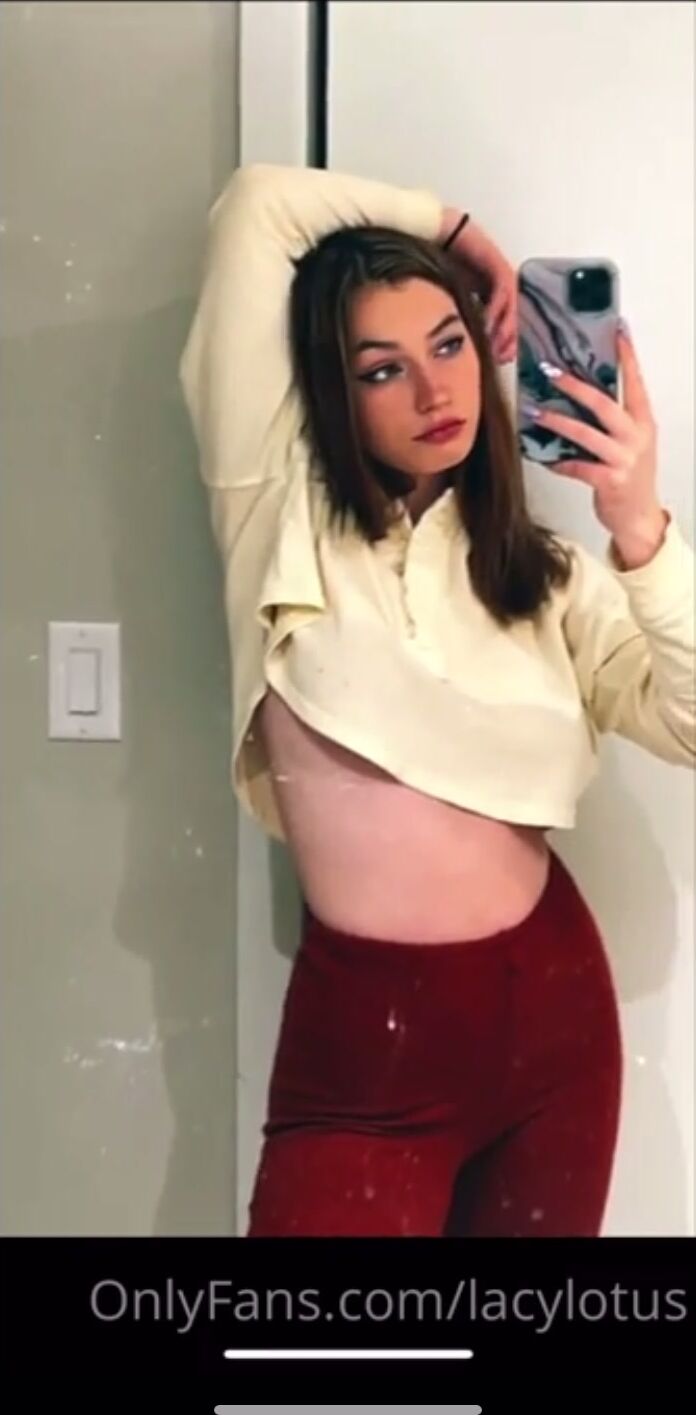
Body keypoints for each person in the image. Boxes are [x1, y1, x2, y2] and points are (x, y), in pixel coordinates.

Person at [179, 163, 695, 1238]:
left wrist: (642, 529)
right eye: (384, 368)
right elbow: (259, 205)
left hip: (553, 1026)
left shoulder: (545, 575)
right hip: (368, 1049)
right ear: (334, 391)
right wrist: (459, 234)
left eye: (451, 345)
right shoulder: (278, 511)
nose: (433, 391)